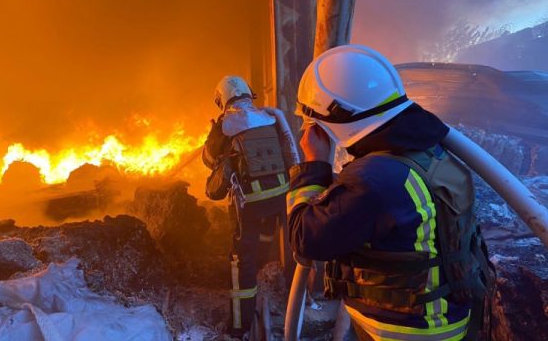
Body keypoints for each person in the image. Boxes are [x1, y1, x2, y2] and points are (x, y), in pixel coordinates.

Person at [286, 45, 493, 340]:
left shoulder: (373, 179)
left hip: (405, 330)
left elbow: (305, 239)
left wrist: (313, 165)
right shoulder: (423, 147)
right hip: (444, 318)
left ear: (333, 119)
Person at [203, 75, 299, 338]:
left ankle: (239, 325)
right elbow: (288, 150)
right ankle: (270, 271)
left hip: (249, 201)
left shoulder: (226, 125)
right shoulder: (269, 117)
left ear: (222, 99)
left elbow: (209, 159)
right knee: (270, 234)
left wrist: (214, 131)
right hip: (280, 195)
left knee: (240, 261)